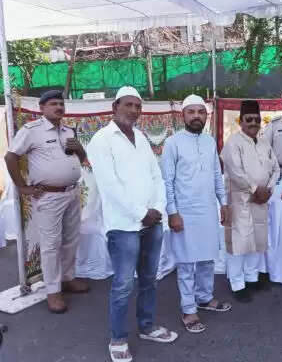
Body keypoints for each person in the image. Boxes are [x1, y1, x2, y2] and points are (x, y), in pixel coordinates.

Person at [87, 86, 177, 362]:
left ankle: (147, 327)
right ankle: (118, 338)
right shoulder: (101, 140)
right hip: (123, 226)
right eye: (128, 105)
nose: (134, 110)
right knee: (123, 284)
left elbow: (156, 175)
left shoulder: (140, 137)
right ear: (115, 107)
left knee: (149, 280)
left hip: (152, 222)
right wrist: (141, 213)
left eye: (138, 106)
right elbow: (109, 185)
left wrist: (158, 208)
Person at [4, 90, 89, 314]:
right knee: (51, 245)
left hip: (72, 192)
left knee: (71, 238)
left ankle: (68, 279)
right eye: (53, 104)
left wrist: (80, 150)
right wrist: (22, 187)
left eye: (61, 104)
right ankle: (53, 291)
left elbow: (82, 159)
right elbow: (10, 156)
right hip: (49, 196)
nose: (59, 107)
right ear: (42, 108)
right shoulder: (31, 131)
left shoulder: (68, 130)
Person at [160, 94, 232, 334]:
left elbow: (216, 175)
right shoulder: (173, 143)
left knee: (207, 259)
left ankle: (204, 297)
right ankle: (189, 309)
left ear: (206, 115)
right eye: (191, 112)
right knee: (186, 263)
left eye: (201, 112)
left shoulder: (210, 142)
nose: (196, 116)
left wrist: (223, 203)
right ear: (183, 115)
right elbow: (167, 181)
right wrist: (173, 212)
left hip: (207, 211)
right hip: (185, 212)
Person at [220, 100, 280, 303]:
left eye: (256, 119)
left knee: (257, 240)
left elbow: (276, 169)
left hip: (261, 200)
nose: (253, 123)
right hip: (240, 201)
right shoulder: (233, 143)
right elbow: (236, 172)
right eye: (249, 119)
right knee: (239, 243)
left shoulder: (264, 143)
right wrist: (256, 189)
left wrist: (269, 189)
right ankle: (237, 284)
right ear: (241, 121)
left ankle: (251, 278)